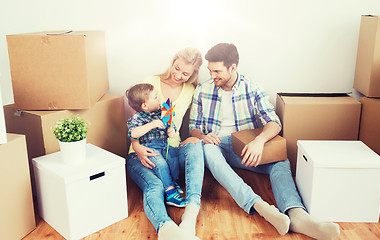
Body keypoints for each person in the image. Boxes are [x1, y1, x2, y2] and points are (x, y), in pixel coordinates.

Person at [189, 43, 341, 240]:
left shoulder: (251, 88)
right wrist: (203, 136)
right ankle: (259, 205)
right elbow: (193, 127)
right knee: (207, 150)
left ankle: (297, 215)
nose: (212, 75)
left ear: (233, 67)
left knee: (280, 161)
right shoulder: (203, 90)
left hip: (246, 147)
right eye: (209, 70)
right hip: (217, 146)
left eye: (217, 71)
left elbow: (274, 122)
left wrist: (259, 141)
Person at [126, 47, 204, 240]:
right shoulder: (150, 82)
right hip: (143, 151)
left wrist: (192, 135)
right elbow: (134, 123)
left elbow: (187, 123)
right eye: (176, 68)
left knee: (195, 146)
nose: (178, 75)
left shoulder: (190, 89)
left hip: (171, 150)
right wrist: (136, 146)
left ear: (193, 74)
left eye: (185, 73)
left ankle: (191, 213)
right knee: (154, 187)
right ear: (173, 60)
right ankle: (166, 229)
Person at [126, 83, 185, 207]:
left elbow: (170, 124)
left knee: (173, 160)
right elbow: (133, 133)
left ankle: (172, 182)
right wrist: (152, 124)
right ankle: (170, 191)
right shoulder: (137, 118)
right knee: (161, 165)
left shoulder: (161, 112)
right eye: (155, 98)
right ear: (144, 105)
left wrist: (171, 130)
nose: (159, 99)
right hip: (150, 147)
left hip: (164, 145)